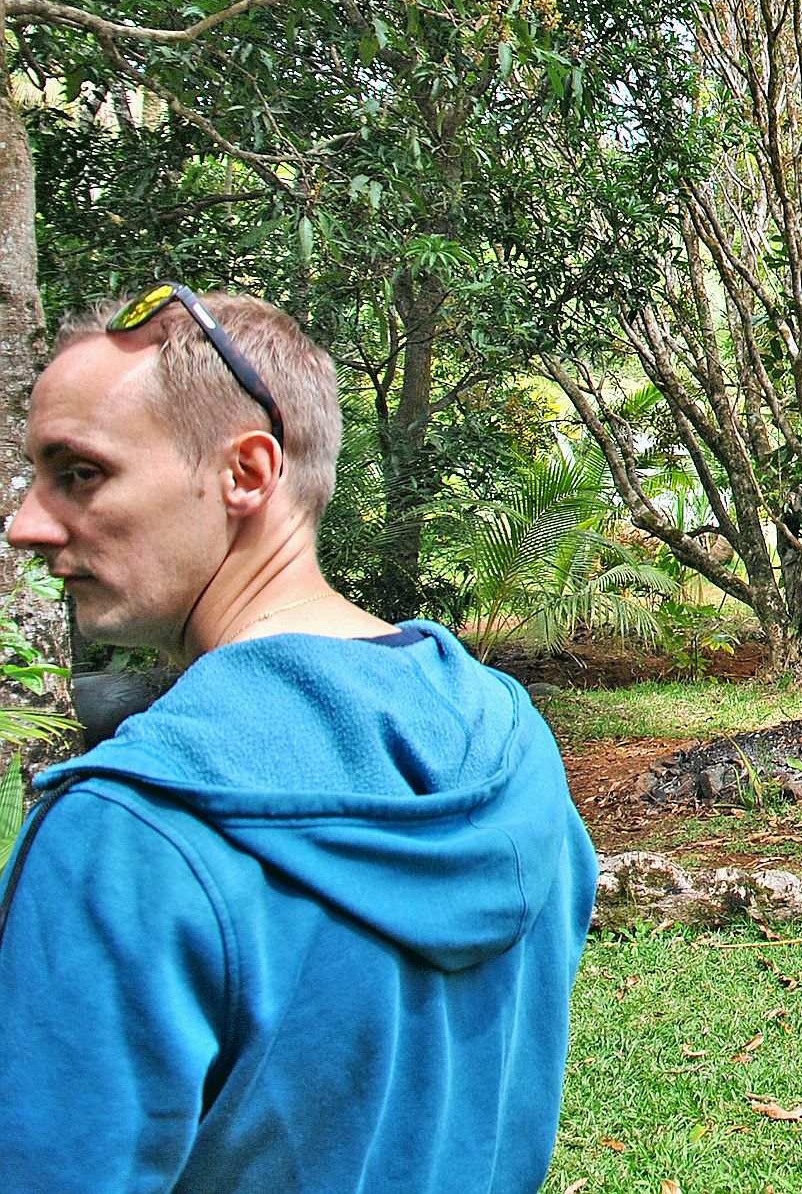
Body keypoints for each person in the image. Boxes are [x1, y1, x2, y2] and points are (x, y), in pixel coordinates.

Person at [0, 286, 597, 1193]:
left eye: (78, 472)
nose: (27, 524)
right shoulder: (515, 743)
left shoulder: (124, 833)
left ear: (246, 473)